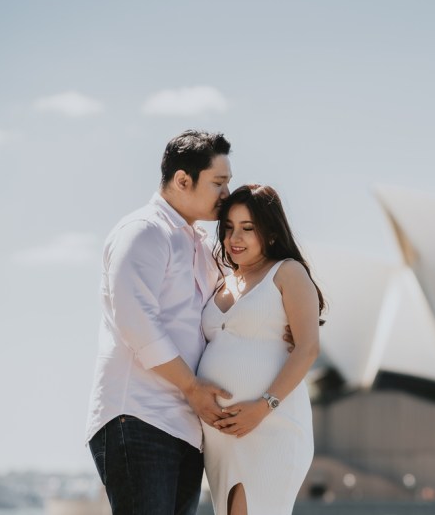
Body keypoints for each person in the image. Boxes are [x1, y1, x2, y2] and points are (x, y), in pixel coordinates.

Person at [85, 130, 237, 514]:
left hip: (186, 427)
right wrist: (192, 386)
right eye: (218, 183)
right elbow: (136, 321)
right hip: (138, 416)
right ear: (183, 180)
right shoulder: (143, 231)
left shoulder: (200, 245)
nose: (226, 194)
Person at [197, 184, 324, 515]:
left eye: (247, 228)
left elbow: (308, 348)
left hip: (271, 426)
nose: (234, 238)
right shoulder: (223, 282)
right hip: (222, 436)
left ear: (269, 232)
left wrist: (262, 407)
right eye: (228, 228)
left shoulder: (287, 272)